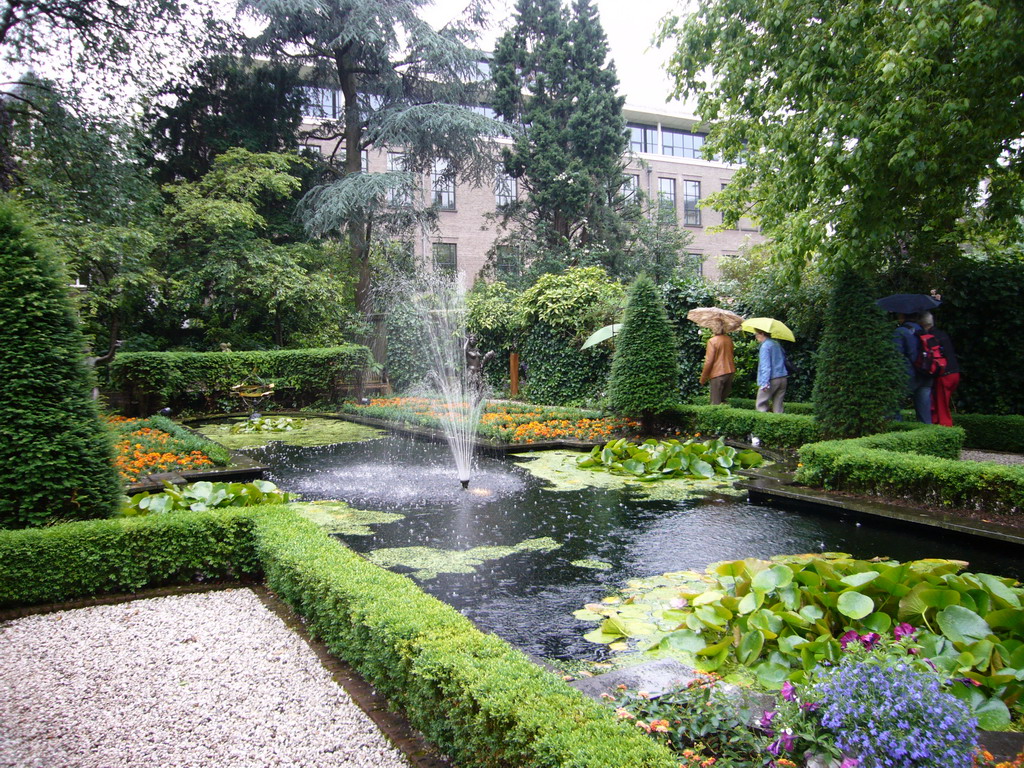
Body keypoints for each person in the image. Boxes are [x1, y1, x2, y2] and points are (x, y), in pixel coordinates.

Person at [919, 311, 960, 426]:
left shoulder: (930, 337)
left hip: (944, 374)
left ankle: (944, 430)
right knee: (942, 404)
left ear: (922, 323)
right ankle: (937, 424)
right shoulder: (941, 333)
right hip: (954, 372)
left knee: (942, 408)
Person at [892, 313, 932, 423]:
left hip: (908, 375)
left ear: (902, 316)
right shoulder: (923, 330)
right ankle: (929, 437)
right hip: (926, 374)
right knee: (925, 415)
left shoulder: (900, 332)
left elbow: (895, 356)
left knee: (893, 408)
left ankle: (896, 435)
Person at [699, 323, 735, 405]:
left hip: (718, 373)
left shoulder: (712, 341)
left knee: (715, 402)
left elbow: (709, 361)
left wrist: (703, 378)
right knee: (723, 400)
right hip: (730, 371)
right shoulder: (729, 339)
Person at [754, 330, 788, 413]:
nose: (755, 337)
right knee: (778, 407)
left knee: (761, 405)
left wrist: (764, 383)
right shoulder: (776, 343)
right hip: (783, 377)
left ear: (762, 334)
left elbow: (765, 366)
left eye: (756, 334)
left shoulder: (765, 346)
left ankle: (761, 424)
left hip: (772, 379)